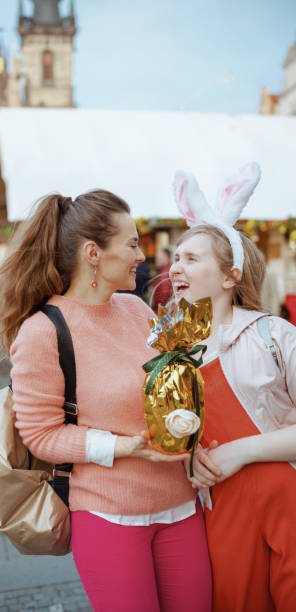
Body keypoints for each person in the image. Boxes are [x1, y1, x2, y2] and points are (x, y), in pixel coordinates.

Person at [0, 190, 212, 612]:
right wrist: (125, 446)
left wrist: (193, 441)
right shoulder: (42, 331)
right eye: (131, 243)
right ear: (93, 253)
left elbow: (169, 391)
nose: (141, 255)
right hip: (108, 516)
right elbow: (41, 435)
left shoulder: (136, 310)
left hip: (181, 507)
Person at [172, 163, 296, 611]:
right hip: (221, 508)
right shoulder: (171, 352)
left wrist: (238, 451)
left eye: (191, 257)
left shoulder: (275, 336)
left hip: (289, 500)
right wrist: (188, 457)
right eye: (175, 258)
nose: (175, 267)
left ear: (230, 277)